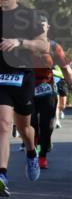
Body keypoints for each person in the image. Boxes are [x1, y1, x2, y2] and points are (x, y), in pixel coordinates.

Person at [0, 0, 48, 197]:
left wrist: (20, 42)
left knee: (25, 130)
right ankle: (1, 174)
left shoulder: (30, 16)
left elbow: (43, 44)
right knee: (2, 125)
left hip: (22, 77)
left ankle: (31, 153)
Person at [30, 20, 72, 169]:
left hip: (47, 88)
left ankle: (42, 156)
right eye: (37, 25)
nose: (40, 28)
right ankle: (33, 147)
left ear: (48, 28)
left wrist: (71, 83)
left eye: (43, 25)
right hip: (27, 88)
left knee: (47, 123)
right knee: (32, 122)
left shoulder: (54, 47)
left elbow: (65, 68)